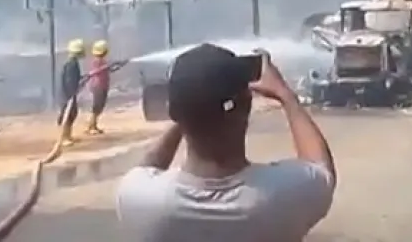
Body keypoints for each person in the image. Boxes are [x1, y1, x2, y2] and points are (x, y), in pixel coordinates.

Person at [115, 44, 337, 242]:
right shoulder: (283, 195)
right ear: (245, 106)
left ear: (174, 113)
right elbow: (321, 167)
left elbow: (147, 166)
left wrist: (190, 110)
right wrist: (286, 97)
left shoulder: (137, 198)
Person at [58, 38, 85, 146]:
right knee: (67, 116)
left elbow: (74, 78)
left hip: (70, 94)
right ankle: (64, 137)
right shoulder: (71, 64)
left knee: (72, 114)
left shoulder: (73, 63)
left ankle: (68, 135)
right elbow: (69, 80)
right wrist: (71, 94)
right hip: (68, 94)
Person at [85, 39, 112, 135]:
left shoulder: (102, 61)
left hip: (102, 86)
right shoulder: (97, 61)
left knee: (100, 107)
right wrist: (105, 67)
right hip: (98, 86)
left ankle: (94, 125)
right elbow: (95, 72)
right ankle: (90, 126)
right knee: (96, 107)